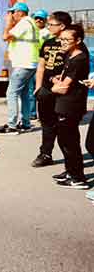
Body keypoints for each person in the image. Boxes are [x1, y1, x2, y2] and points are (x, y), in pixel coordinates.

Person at [50, 24, 89, 189]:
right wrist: (56, 79)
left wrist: (53, 86)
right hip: (64, 105)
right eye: (61, 39)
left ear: (78, 40)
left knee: (70, 142)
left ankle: (78, 177)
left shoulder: (79, 59)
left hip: (71, 106)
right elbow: (64, 79)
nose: (62, 42)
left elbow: (64, 87)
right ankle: (70, 170)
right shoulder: (70, 56)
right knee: (64, 140)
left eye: (67, 39)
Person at [31, 11, 72, 167]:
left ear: (62, 26)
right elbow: (41, 66)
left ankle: (71, 162)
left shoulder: (72, 44)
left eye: (51, 24)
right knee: (47, 124)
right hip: (46, 90)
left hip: (63, 92)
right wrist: (38, 87)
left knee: (64, 128)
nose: (48, 27)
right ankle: (45, 154)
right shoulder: (47, 43)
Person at [0, 2, 41, 135]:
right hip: (30, 63)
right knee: (24, 94)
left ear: (20, 12)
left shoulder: (24, 23)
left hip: (24, 63)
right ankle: (26, 123)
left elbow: (5, 37)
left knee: (12, 93)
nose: (12, 15)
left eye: (13, 12)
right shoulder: (31, 23)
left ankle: (12, 125)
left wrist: (8, 23)